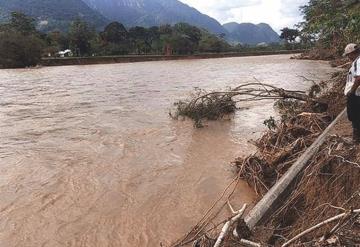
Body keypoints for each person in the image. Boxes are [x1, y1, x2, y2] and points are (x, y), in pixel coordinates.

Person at [344, 43, 360, 143]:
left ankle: (356, 139)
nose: (348, 57)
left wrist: (351, 91)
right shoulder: (356, 61)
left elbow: (358, 78)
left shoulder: (358, 62)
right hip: (357, 93)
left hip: (356, 94)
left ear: (352, 53)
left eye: (348, 55)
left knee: (354, 116)